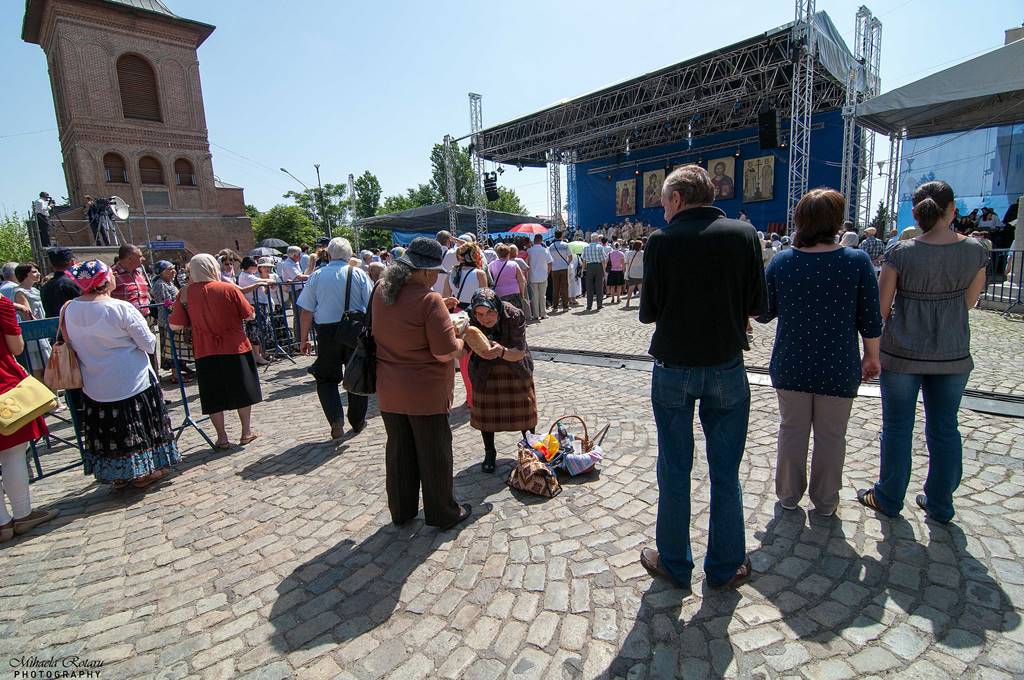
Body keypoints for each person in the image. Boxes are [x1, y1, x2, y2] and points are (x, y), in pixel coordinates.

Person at [638, 164, 766, 590]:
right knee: (725, 472)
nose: (662, 211)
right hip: (726, 365)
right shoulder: (744, 234)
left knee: (674, 468)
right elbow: (757, 305)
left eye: (663, 203)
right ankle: (726, 567)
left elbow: (648, 313)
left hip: (673, 367)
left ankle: (675, 563)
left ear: (677, 198)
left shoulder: (661, 241)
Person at [857, 181, 988, 524]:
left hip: (902, 352)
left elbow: (881, 308)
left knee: (897, 427)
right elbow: (969, 302)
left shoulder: (901, 252)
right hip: (952, 352)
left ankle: (889, 496)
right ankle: (940, 503)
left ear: (916, 213)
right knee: (945, 429)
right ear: (952, 209)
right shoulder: (975, 251)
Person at [757, 189, 882, 516]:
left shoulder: (783, 261)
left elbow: (763, 312)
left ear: (801, 220)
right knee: (832, 437)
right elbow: (870, 318)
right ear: (837, 221)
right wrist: (872, 357)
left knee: (791, 431)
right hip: (838, 364)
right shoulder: (857, 261)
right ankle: (826, 501)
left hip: (792, 362)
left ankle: (788, 495)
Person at [372, 237, 471, 530]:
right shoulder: (429, 300)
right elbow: (444, 351)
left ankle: (401, 511)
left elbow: (400, 320)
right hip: (425, 393)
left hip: (390, 389)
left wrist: (441, 309)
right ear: (426, 271)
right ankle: (442, 512)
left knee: (399, 452)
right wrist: (462, 339)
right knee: (434, 453)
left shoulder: (381, 290)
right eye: (435, 273)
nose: (436, 278)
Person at [63, 260, 180, 489]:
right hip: (130, 379)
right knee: (134, 425)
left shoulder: (69, 309)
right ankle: (142, 473)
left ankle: (117, 475)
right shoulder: (120, 307)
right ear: (105, 280)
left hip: (94, 382)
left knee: (109, 431)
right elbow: (148, 343)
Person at [169, 254, 262, 449]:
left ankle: (222, 437)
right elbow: (250, 315)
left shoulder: (185, 293)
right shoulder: (228, 288)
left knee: (213, 395)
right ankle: (246, 432)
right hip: (234, 346)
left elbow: (175, 325)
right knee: (242, 390)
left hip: (205, 349)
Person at [297, 238, 373, 440]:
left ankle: (335, 418)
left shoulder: (317, 275)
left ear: (329, 255)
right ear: (349, 255)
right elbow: (371, 304)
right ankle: (357, 420)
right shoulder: (358, 274)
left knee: (326, 379)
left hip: (326, 333)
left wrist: (303, 339)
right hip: (353, 330)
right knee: (357, 374)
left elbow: (306, 310)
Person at [0, 294, 57, 541]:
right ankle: (22, 514)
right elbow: (16, 347)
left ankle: (1, 523)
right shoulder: (1, 302)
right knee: (12, 453)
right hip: (3, 382)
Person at [467, 288, 537, 473]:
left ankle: (530, 449)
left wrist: (502, 351)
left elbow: (519, 351)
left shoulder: (513, 314)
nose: (485, 318)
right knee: (486, 413)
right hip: (484, 371)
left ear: (497, 308)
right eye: (480, 314)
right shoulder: (469, 319)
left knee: (525, 410)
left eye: (490, 312)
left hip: (515, 366)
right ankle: (490, 452)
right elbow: (463, 348)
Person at [149, 260, 195, 381]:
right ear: (162, 272)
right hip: (168, 321)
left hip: (175, 318)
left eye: (173, 268)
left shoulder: (169, 283)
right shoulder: (160, 285)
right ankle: (175, 375)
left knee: (178, 348)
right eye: (170, 269)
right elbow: (165, 304)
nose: (174, 271)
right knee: (172, 349)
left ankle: (180, 370)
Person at [13, 263, 52, 378]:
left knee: (49, 365)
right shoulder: (20, 292)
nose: (38, 274)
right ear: (25, 275)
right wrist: (42, 326)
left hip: (42, 331)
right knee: (38, 367)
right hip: (34, 333)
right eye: (34, 272)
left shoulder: (35, 290)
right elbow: (27, 315)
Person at [236, 257, 274, 365]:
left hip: (259, 304)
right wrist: (270, 281)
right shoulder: (246, 276)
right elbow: (261, 281)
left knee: (261, 330)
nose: (257, 267)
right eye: (255, 265)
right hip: (254, 304)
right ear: (250, 266)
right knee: (255, 331)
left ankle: (261, 354)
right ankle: (257, 356)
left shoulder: (250, 275)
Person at [488, 244, 528, 314]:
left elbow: (489, 279)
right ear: (508, 253)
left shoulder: (491, 265)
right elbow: (521, 280)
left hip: (499, 293)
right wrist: (522, 293)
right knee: (516, 314)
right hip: (514, 292)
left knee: (504, 315)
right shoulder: (514, 264)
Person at [40, 247, 79, 317]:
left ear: (52, 265)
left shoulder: (45, 287)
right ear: (72, 262)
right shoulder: (75, 283)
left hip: (53, 323)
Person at [525, 234, 552, 320]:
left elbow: (527, 264)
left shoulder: (529, 251)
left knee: (534, 296)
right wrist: (547, 273)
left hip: (532, 276)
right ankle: (543, 313)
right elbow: (550, 263)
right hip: (543, 275)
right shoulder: (545, 250)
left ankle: (536, 314)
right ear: (541, 240)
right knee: (543, 296)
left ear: (534, 240)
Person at [581, 234, 609, 311]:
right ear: (597, 239)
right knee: (599, 287)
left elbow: (584, 260)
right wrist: (604, 270)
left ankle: (589, 306)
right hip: (598, 266)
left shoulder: (586, 247)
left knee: (589, 287)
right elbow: (603, 260)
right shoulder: (600, 247)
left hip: (589, 267)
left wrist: (583, 269)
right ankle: (599, 305)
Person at [547, 231, 573, 313]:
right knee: (564, 287)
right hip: (564, 268)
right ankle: (565, 306)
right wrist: (567, 264)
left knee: (555, 288)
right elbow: (570, 257)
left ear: (555, 236)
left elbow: (549, 259)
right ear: (561, 236)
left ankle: (555, 306)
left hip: (554, 269)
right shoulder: (565, 245)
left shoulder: (551, 246)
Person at [623, 240, 644, 309]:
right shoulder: (643, 253)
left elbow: (627, 262)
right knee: (641, 289)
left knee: (630, 289)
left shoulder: (629, 253)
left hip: (632, 273)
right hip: (641, 273)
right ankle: (641, 304)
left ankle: (628, 302)